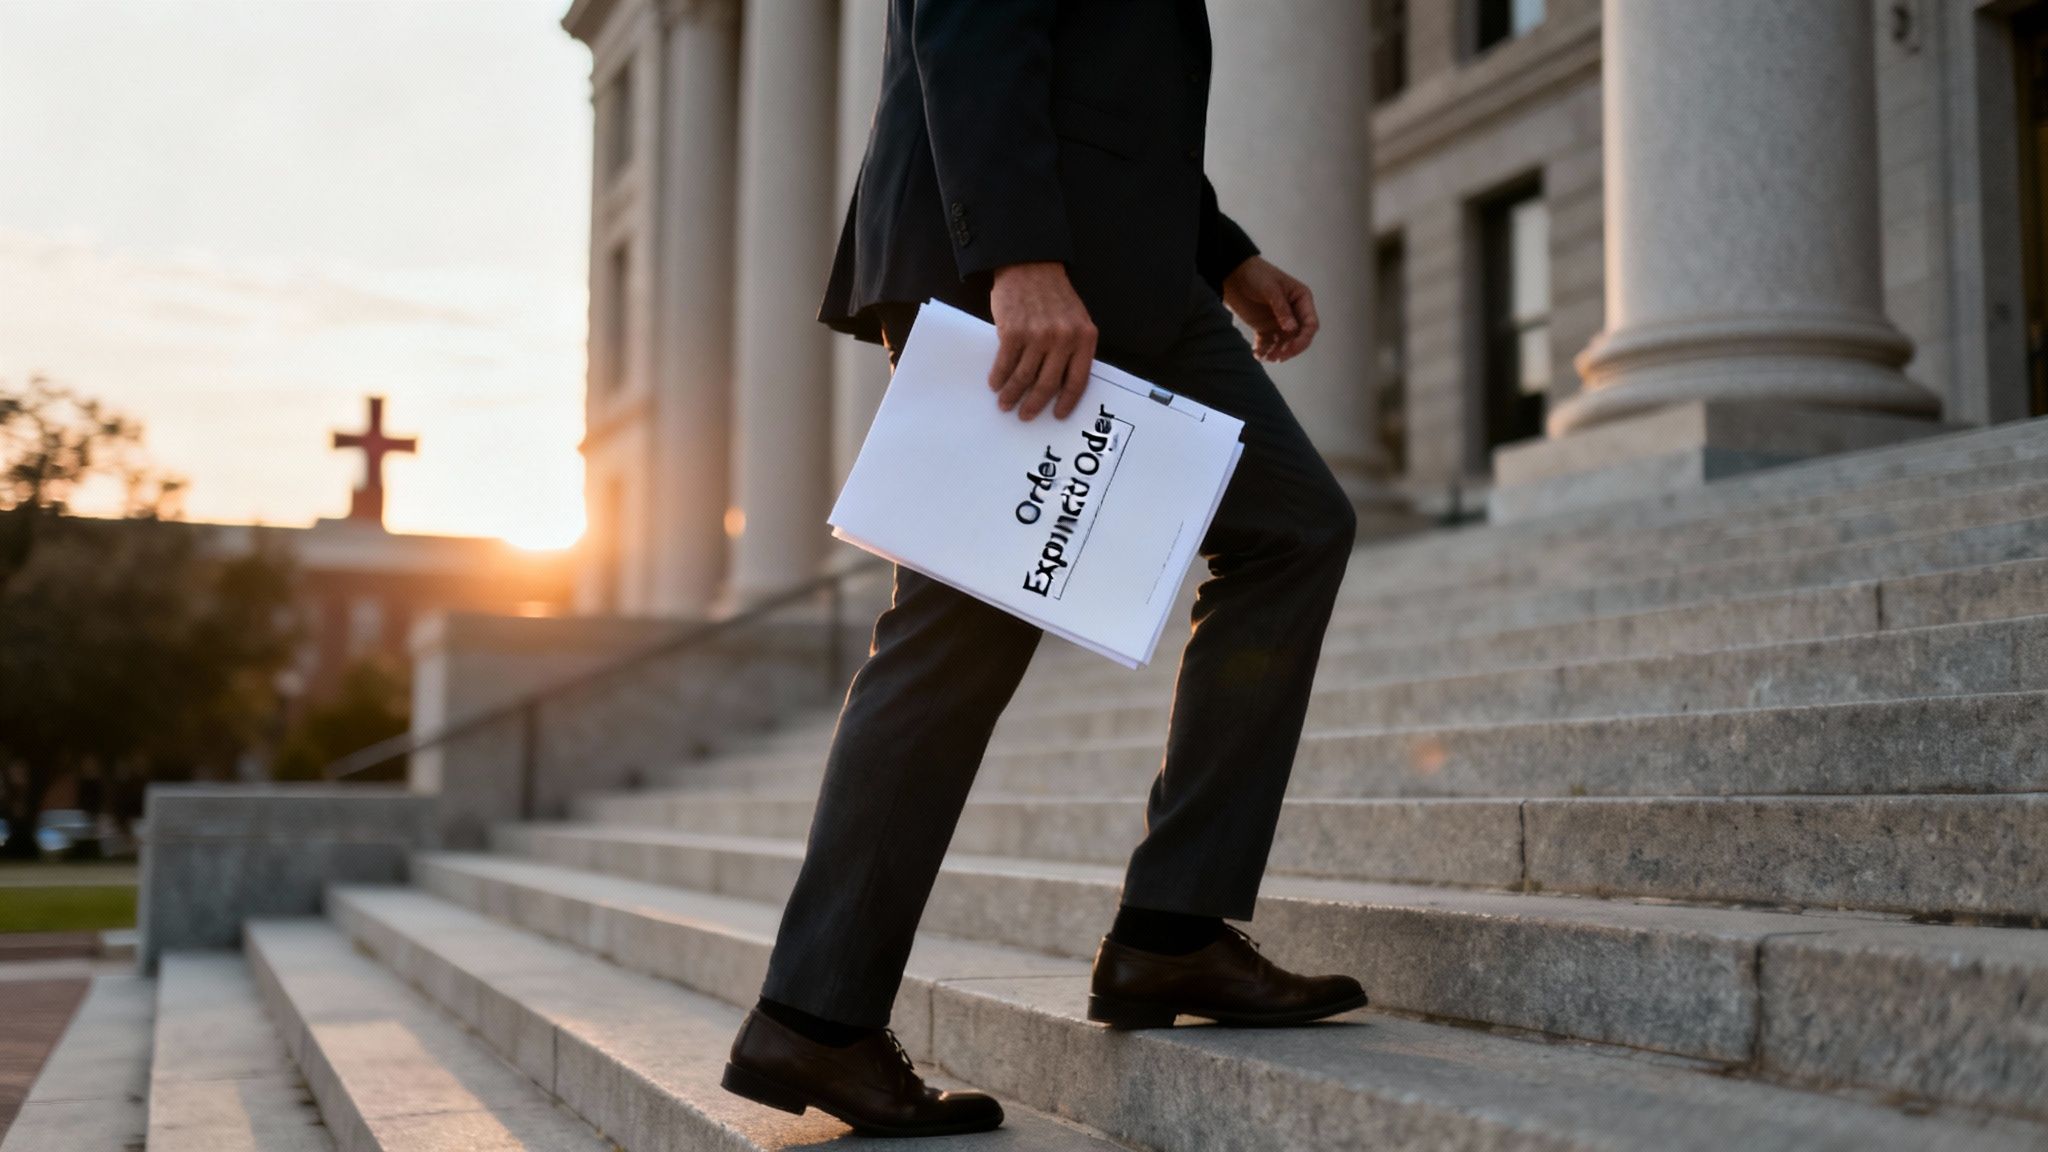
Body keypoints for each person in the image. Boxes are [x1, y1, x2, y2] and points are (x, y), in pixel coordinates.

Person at [721, 0, 1366, 1137]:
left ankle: (1171, 931)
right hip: (1034, 259)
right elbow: (971, 19)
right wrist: (1016, 255)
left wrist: (1223, 253)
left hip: (1130, 256)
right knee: (957, 641)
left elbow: (1112, 71)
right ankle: (816, 1016)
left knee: (1291, 527)